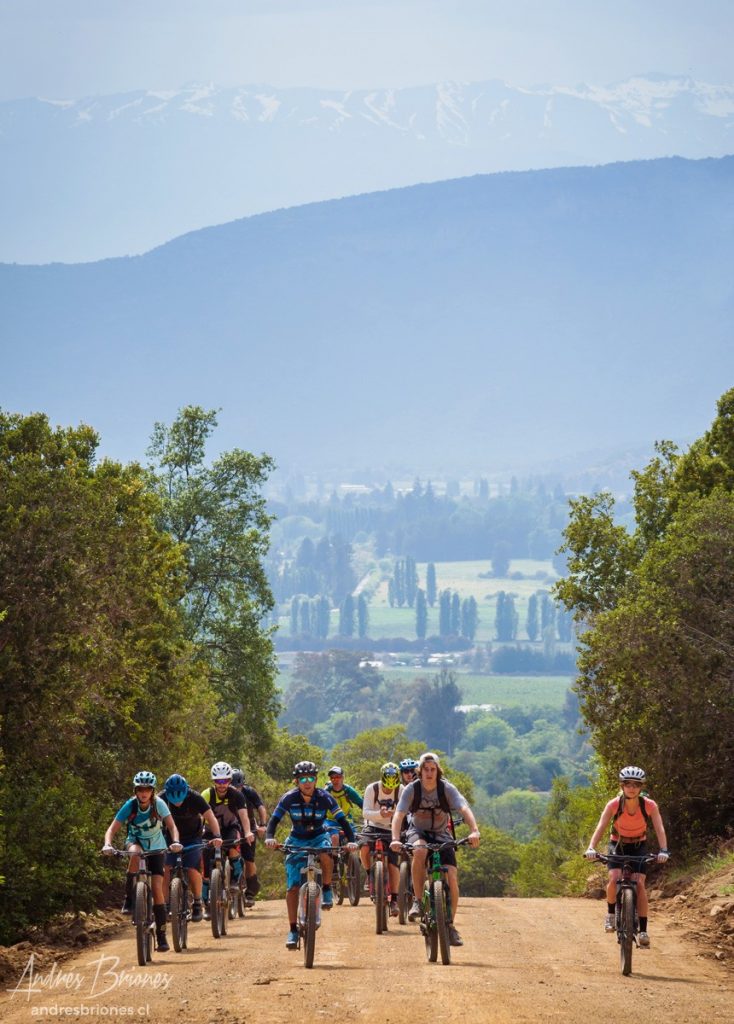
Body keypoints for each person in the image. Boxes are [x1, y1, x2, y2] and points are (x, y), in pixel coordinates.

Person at [391, 752, 480, 947]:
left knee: (453, 878)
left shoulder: (446, 788)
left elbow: (464, 808)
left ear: (437, 771)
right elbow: (399, 815)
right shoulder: (412, 790)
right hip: (418, 832)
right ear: (420, 771)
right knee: (420, 850)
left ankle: (450, 926)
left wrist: (474, 831)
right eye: (425, 769)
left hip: (442, 834)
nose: (429, 773)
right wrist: (395, 839)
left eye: (433, 769)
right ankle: (418, 899)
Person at [265, 760, 357, 949]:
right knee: (292, 888)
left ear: (316, 780)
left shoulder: (325, 797)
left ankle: (327, 888)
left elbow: (342, 820)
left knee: (326, 852)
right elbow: (274, 821)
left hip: (318, 836)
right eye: (302, 779)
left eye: (311, 778)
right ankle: (292, 930)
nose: (307, 782)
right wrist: (270, 838)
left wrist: (352, 840)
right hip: (296, 839)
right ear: (296, 781)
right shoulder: (289, 798)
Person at [584, 765, 669, 948]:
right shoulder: (614, 804)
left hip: (639, 845)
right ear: (622, 786)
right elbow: (601, 827)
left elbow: (659, 828)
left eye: (636, 785)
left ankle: (644, 930)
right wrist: (591, 847)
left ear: (641, 787)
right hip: (618, 844)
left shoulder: (649, 805)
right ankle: (611, 915)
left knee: (639, 883)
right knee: (614, 878)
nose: (632, 788)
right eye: (628, 784)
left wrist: (664, 850)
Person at [102, 770, 182, 953]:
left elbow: (172, 826)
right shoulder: (130, 805)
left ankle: (161, 936)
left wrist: (176, 841)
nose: (143, 793)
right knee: (135, 854)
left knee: (157, 890)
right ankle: (129, 898)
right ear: (135, 790)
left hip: (157, 846)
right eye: (140, 789)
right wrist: (107, 844)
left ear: (152, 791)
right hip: (136, 841)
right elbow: (112, 829)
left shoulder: (159, 804)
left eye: (147, 789)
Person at [158, 773, 222, 923]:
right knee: (165, 867)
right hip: (170, 838)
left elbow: (211, 817)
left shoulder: (195, 798)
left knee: (193, 868)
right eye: (173, 797)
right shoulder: (161, 798)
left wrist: (217, 835)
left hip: (193, 837)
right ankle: (166, 905)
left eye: (180, 797)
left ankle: (198, 902)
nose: (177, 801)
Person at [200, 761, 255, 918]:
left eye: (225, 781)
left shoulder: (236, 795)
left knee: (233, 848)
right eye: (218, 781)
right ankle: (206, 905)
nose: (222, 784)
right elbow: (199, 818)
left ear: (230, 780)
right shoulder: (207, 794)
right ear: (214, 781)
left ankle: (235, 880)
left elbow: (244, 816)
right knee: (205, 867)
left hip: (230, 828)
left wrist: (248, 832)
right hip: (210, 832)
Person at [360, 762, 403, 916]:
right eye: (387, 786)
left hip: (392, 828)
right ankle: (369, 874)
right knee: (364, 847)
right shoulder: (372, 789)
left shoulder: (401, 790)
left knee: (393, 864)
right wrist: (380, 814)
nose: (389, 790)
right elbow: (365, 812)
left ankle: (395, 900)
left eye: (392, 786)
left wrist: (394, 815)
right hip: (372, 825)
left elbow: (406, 810)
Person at [231, 768, 267, 906]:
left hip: (249, 829)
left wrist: (263, 824)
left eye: (238, 787)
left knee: (248, 860)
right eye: (233, 786)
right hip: (231, 827)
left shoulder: (249, 792)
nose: (236, 789)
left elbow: (261, 807)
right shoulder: (223, 793)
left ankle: (251, 891)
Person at [324, 765, 363, 847]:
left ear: (342, 778)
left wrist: (368, 817)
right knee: (335, 837)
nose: (335, 780)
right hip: (330, 820)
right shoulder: (327, 791)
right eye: (332, 778)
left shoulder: (348, 791)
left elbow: (361, 804)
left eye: (338, 777)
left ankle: (352, 859)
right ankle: (334, 858)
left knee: (356, 838)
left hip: (346, 819)